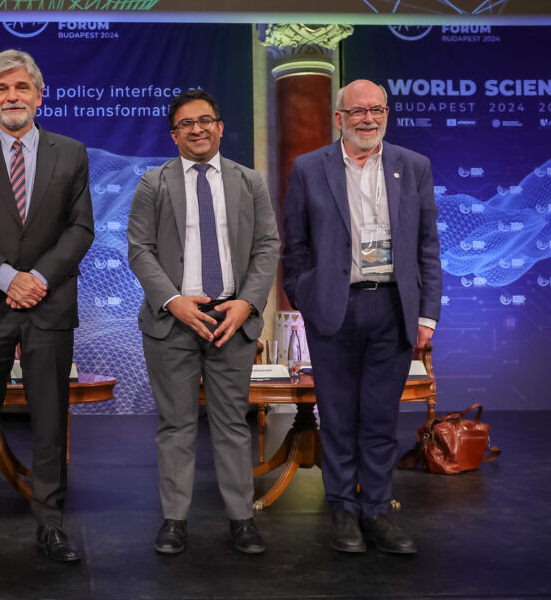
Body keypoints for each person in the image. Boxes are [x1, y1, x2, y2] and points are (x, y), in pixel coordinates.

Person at [282, 79, 442, 555]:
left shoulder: (414, 167)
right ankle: (342, 511)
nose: (368, 119)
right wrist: (307, 298)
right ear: (340, 118)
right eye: (357, 112)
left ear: (386, 114)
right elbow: (295, 247)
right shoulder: (310, 168)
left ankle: (376, 509)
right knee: (335, 416)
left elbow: (427, 247)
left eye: (376, 110)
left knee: (378, 417)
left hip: (392, 308)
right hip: (334, 308)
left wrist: (427, 314)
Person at [0, 49, 94, 566]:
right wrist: (10, 277)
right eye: (1, 90)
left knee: (51, 423)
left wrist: (39, 279)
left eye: (21, 88)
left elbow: (80, 229)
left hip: (49, 305)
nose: (12, 97)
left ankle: (50, 525)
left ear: (38, 93)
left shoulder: (71, 152)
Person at [127, 89, 279, 556]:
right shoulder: (153, 183)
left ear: (220, 126)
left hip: (231, 319)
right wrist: (173, 301)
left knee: (234, 424)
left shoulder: (250, 182)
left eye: (205, 120)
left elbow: (267, 247)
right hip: (174, 320)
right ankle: (175, 520)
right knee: (176, 425)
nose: (197, 129)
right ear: (174, 134)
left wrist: (248, 304)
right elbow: (140, 250)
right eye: (186, 123)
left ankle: (241, 520)